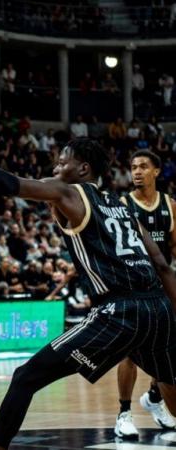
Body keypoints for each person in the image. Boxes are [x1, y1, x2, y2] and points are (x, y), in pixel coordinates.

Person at [0, 124, 176, 450]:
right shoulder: (123, 206)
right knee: (169, 382)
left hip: (118, 309)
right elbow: (162, 265)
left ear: (83, 169)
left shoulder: (70, 192)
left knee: (24, 378)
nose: (55, 169)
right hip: (159, 306)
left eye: (62, 162)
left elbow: (8, 183)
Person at [114, 149, 176, 438]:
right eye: (133, 166)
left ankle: (154, 398)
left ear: (157, 171)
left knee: (165, 348)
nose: (136, 171)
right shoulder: (121, 205)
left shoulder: (170, 206)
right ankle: (124, 413)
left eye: (142, 166)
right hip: (133, 287)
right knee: (129, 351)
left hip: (162, 286)